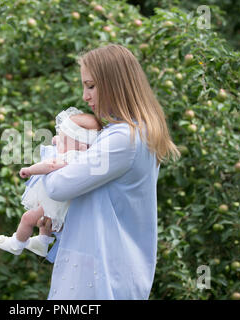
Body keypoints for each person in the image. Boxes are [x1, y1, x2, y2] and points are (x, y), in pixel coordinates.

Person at [39, 44, 180, 300]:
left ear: (116, 84)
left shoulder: (124, 139)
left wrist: (57, 147)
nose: (85, 96)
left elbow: (57, 187)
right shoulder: (135, 133)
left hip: (101, 275)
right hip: (109, 267)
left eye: (91, 86)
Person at [0, 107, 102, 257]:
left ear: (82, 147)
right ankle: (42, 242)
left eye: (63, 140)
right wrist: (61, 140)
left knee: (28, 218)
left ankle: (17, 243)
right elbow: (65, 143)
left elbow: (50, 165)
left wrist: (30, 170)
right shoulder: (82, 153)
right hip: (59, 201)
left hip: (57, 202)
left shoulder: (73, 157)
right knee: (44, 221)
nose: (58, 142)